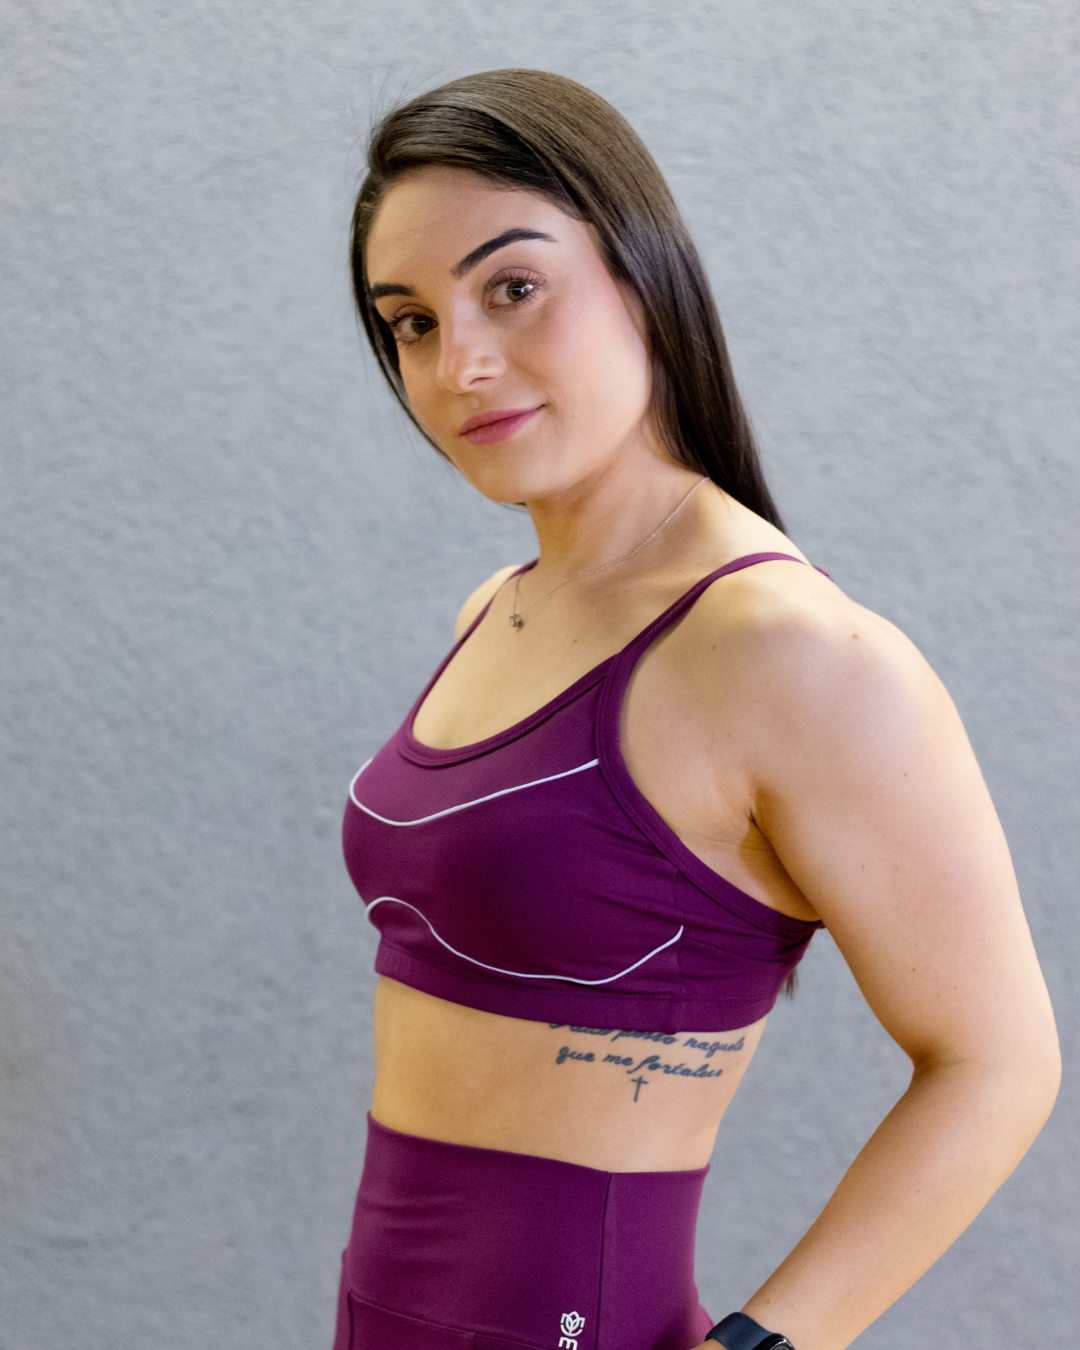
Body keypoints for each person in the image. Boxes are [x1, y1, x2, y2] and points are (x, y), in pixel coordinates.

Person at [334, 69, 1059, 1350]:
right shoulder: (492, 613)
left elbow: (998, 1064)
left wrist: (763, 1346)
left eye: (513, 288)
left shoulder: (793, 655)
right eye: (412, 322)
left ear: (644, 275)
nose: (462, 363)